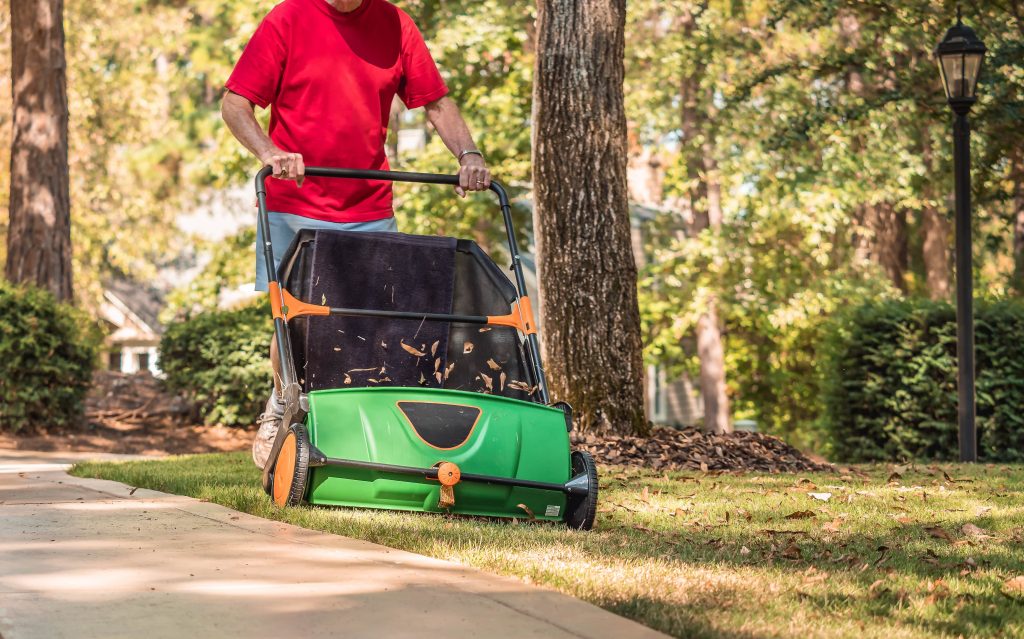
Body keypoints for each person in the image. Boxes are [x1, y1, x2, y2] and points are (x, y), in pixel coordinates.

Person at [221, 0, 491, 468]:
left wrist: (468, 155)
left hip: (368, 204)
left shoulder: (394, 24)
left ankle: (364, 426)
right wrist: (269, 151)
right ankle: (283, 406)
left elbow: (436, 102)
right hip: (295, 202)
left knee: (376, 324)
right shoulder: (289, 18)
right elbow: (235, 104)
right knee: (294, 320)